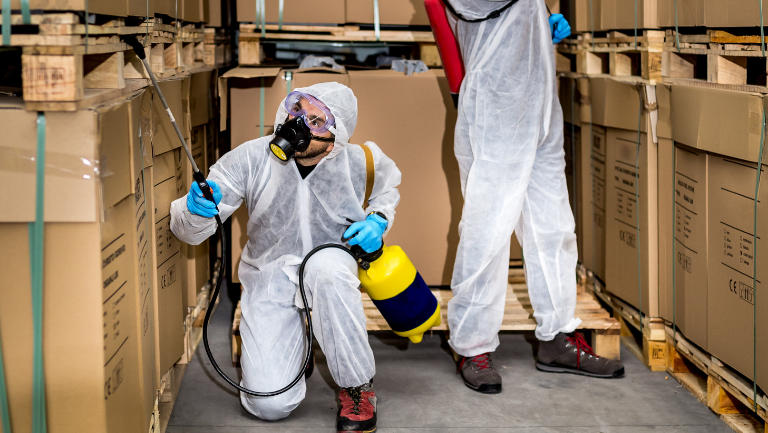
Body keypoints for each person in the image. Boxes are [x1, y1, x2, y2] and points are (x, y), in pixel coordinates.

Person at [170, 82, 401, 432]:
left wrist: (378, 220)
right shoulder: (252, 157)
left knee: (328, 272)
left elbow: (387, 189)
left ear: (335, 136)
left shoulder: (360, 161)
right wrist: (196, 210)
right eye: (297, 110)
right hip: (270, 271)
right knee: (269, 405)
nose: (298, 124)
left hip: (330, 263)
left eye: (316, 120)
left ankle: (357, 386)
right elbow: (188, 232)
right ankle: (298, 352)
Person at [442, 0, 624, 394]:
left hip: (541, 103)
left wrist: (540, 16)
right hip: (496, 106)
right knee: (487, 230)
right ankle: (472, 346)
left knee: (553, 227)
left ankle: (557, 337)